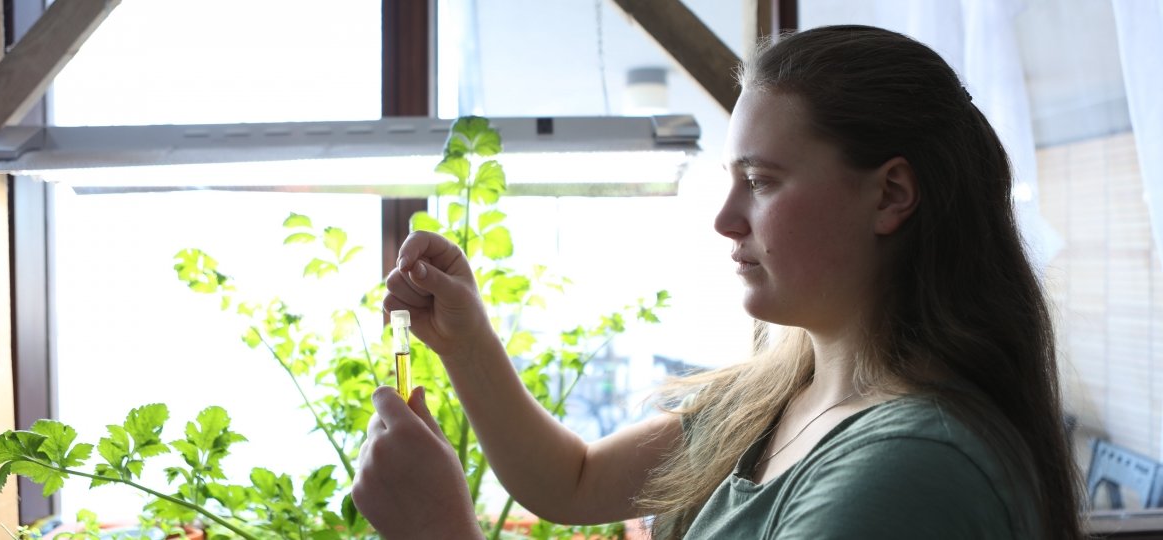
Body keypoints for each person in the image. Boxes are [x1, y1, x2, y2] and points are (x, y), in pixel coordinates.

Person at [352, 25, 1084, 539]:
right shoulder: (774, 396)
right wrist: (467, 341)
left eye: (761, 181)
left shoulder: (912, 468)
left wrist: (437, 531)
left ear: (891, 194)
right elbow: (569, 481)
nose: (726, 220)